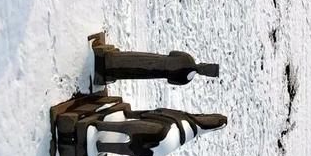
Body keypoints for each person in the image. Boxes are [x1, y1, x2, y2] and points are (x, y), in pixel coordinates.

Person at [50, 93, 226, 156]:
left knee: (127, 127)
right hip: (161, 150)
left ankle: (98, 126)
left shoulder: (183, 118)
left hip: (167, 131)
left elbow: (155, 113)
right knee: (127, 148)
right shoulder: (189, 132)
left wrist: (132, 114)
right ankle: (101, 145)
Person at [90, 34, 219, 87]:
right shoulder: (186, 79)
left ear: (204, 64)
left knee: (133, 59)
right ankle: (111, 72)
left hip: (154, 59)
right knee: (133, 72)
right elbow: (171, 81)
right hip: (154, 72)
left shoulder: (187, 57)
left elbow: (172, 53)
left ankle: (111, 59)